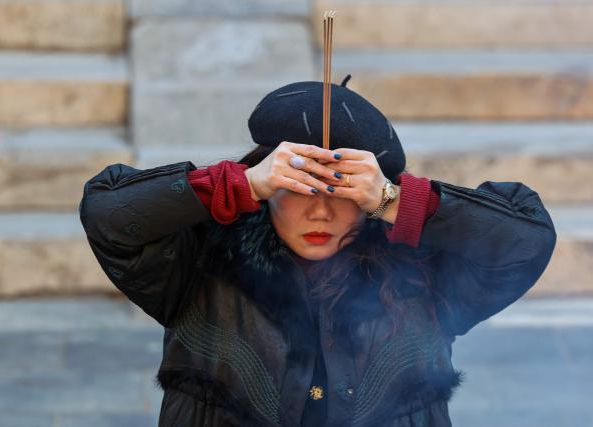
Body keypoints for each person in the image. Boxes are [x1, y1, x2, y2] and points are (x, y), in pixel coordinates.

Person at [79, 76, 557, 427]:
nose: (320, 213)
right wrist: (236, 184)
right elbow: (109, 214)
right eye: (298, 188)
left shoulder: (420, 272)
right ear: (269, 187)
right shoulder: (203, 260)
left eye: (342, 193)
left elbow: (526, 240)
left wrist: (397, 200)